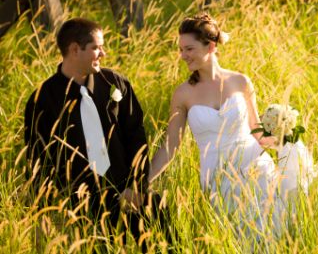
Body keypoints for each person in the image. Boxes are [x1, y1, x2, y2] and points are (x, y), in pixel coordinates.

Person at [24, 18, 167, 251]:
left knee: (159, 245)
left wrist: (137, 185)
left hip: (129, 191)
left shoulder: (115, 83)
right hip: (82, 203)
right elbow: (38, 157)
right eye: (97, 48)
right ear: (74, 49)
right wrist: (47, 211)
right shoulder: (43, 99)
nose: (104, 53)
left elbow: (136, 136)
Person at [148, 13, 294, 239]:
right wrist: (143, 180)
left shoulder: (240, 81)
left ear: (211, 47)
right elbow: (171, 144)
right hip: (218, 178)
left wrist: (285, 138)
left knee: (271, 235)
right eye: (181, 50)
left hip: (256, 169)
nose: (183, 56)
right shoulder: (183, 93)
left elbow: (256, 131)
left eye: (189, 49)